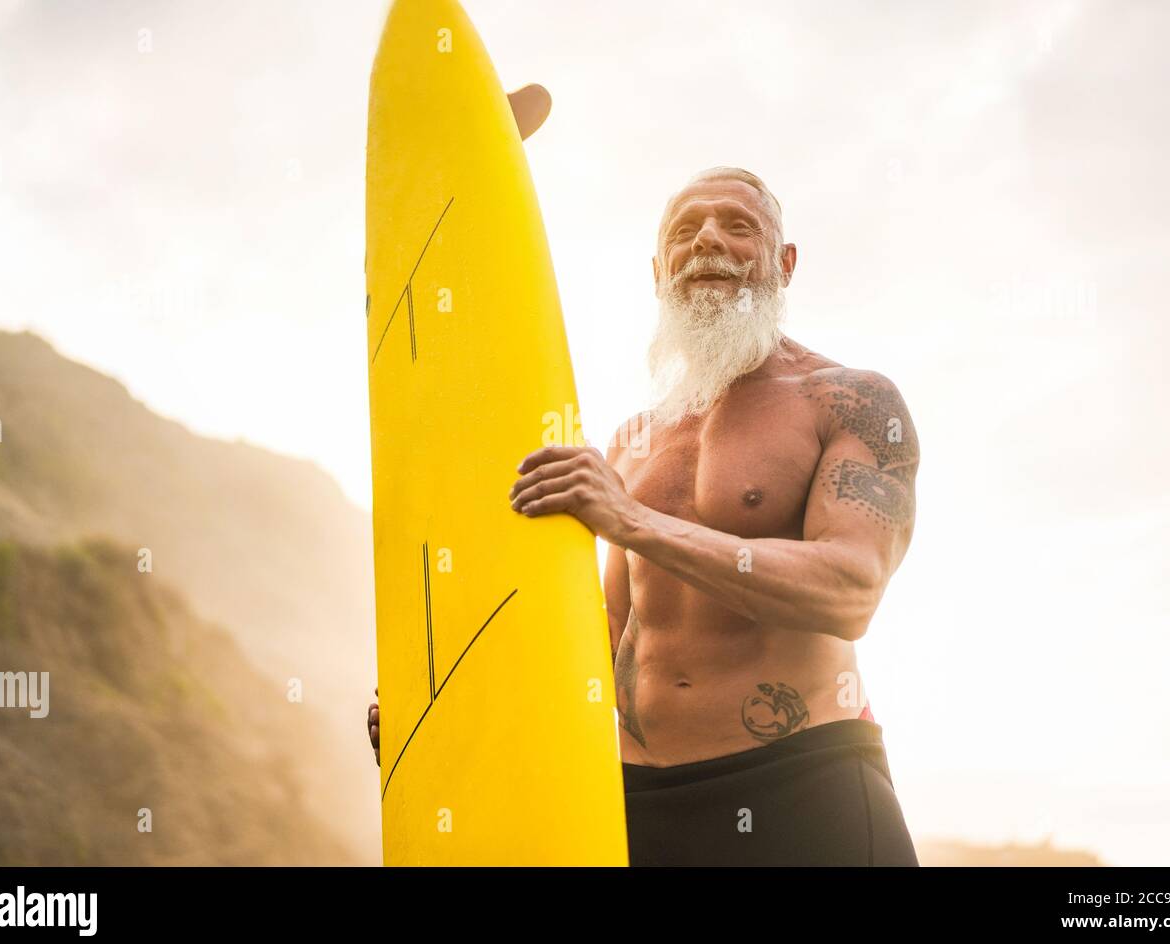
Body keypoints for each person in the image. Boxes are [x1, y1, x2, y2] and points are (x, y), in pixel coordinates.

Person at [368, 86, 920, 866]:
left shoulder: (851, 401)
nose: (709, 243)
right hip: (633, 805)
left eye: (738, 226)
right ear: (658, 270)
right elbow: (597, 643)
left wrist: (632, 522)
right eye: (684, 232)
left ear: (784, 262)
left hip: (803, 786)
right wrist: (448, 710)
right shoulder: (627, 446)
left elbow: (850, 588)